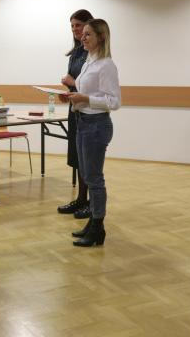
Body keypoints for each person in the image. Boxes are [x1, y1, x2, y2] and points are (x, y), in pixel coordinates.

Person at [65, 19, 121, 247]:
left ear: (101, 37)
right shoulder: (89, 61)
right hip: (83, 122)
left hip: (96, 125)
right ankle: (93, 223)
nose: (82, 37)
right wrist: (73, 95)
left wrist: (85, 98)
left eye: (88, 34)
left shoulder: (106, 65)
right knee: (88, 176)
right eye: (83, 34)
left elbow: (114, 102)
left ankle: (98, 227)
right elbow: (86, 91)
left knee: (95, 179)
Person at [57, 9, 94, 218]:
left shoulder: (95, 54)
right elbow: (75, 85)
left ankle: (91, 203)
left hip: (90, 113)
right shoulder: (76, 53)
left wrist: (73, 82)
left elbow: (91, 87)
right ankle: (81, 199)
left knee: (88, 160)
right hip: (75, 110)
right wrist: (68, 93)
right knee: (77, 157)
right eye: (72, 26)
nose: (75, 29)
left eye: (78, 25)